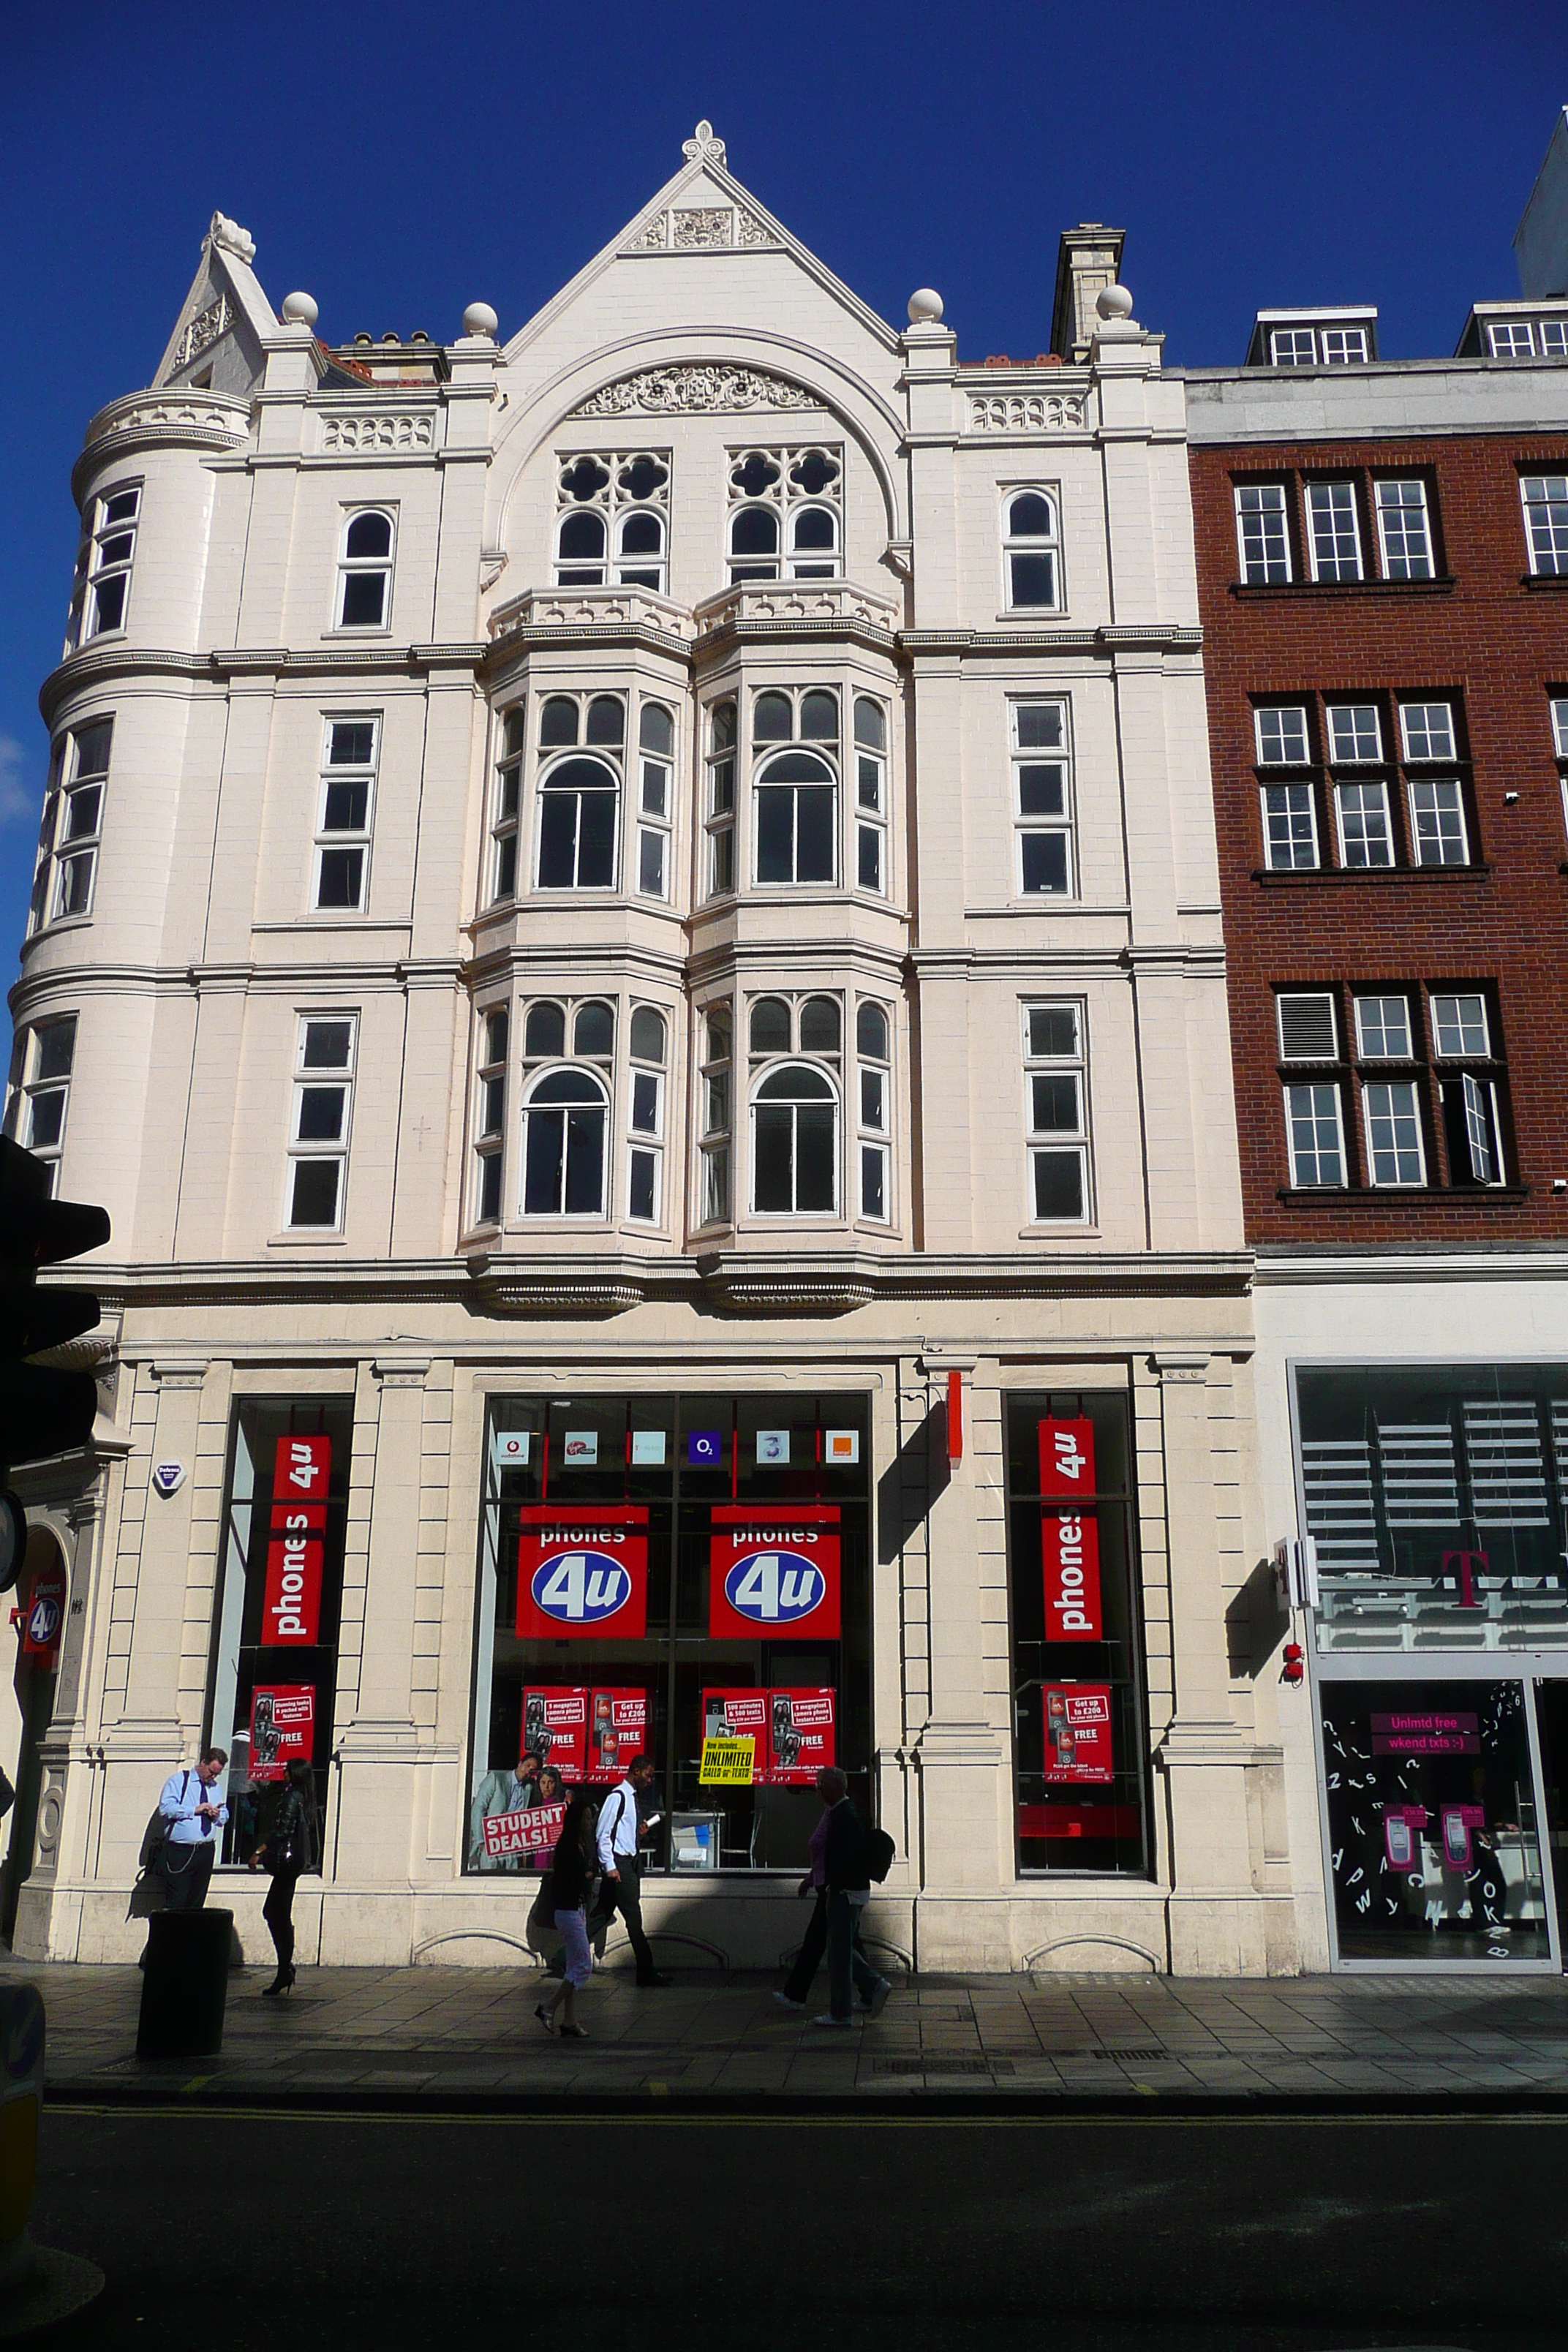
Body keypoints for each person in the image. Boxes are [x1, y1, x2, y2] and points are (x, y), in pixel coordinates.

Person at [815, 1766, 891, 2027]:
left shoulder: (843, 1815)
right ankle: (869, 1993)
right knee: (842, 1947)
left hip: (845, 1892)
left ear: (837, 1786)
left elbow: (845, 1857)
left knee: (839, 1951)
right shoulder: (845, 1812)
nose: (818, 1789)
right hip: (848, 1890)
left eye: (822, 1784)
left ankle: (845, 2008)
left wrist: (832, 1885)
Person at [588, 1754, 671, 1986]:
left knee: (602, 1914)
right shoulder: (618, 1797)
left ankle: (564, 1957)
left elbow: (622, 1833)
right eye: (648, 1774)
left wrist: (638, 1833)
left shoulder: (632, 1798)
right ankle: (646, 1972)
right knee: (634, 1919)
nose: (650, 1780)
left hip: (629, 1863)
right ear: (636, 1771)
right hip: (620, 1866)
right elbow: (602, 1834)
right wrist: (611, 1867)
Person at [248, 1757, 320, 1997]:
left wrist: (260, 1850)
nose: (284, 1772)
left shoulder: (292, 1797)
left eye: (287, 1769)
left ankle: (284, 1967)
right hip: (294, 1864)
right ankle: (284, 1968)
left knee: (274, 1912)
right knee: (277, 1912)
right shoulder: (304, 1797)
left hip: (286, 1864)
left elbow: (283, 1830)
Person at [535, 1789, 596, 2038]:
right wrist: (588, 1876)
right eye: (586, 1818)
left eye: (591, 1818)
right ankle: (548, 2007)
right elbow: (573, 1879)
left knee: (573, 1965)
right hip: (568, 1911)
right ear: (576, 1821)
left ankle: (569, 2020)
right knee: (583, 1965)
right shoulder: (570, 1847)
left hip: (577, 1909)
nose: (590, 1823)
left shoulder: (581, 1844)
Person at [158, 1746, 230, 1912]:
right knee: (177, 1900)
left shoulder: (214, 1787)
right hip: (181, 1850)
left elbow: (225, 1814)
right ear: (203, 1762)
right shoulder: (179, 1781)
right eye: (211, 1772)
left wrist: (216, 1815)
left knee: (197, 1901)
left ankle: (190, 1936)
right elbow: (166, 1808)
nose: (212, 1777)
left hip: (205, 1850)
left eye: (217, 1774)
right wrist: (195, 1810)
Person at [469, 1748, 543, 1872]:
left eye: (532, 1770)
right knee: (489, 1878)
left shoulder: (530, 1787)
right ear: (520, 1763)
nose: (528, 1771)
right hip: (491, 1840)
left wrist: (568, 1792)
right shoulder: (497, 1778)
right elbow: (478, 1807)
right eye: (527, 1765)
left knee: (511, 1880)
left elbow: (551, 1789)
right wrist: (481, 1841)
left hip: (512, 1843)